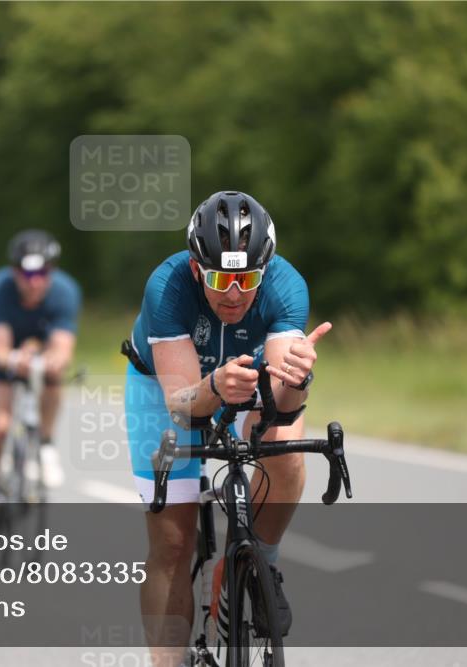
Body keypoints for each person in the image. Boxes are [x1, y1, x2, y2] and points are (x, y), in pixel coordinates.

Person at [122, 191, 331, 665]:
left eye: (246, 279)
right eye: (219, 278)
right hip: (166, 386)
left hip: (244, 376)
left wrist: (298, 377)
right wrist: (214, 384)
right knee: (173, 543)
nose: (233, 294)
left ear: (265, 270)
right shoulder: (168, 286)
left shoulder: (287, 287)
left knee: (285, 452)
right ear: (198, 269)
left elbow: (280, 404)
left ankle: (263, 567)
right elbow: (183, 405)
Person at [0, 230, 81, 502]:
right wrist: (14, 359)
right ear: (14, 272)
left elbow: (62, 347)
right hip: (4, 350)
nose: (34, 282)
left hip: (40, 347)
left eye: (42, 274)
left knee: (55, 372)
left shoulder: (65, 291)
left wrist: (51, 360)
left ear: (51, 271)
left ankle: (45, 441)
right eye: (27, 275)